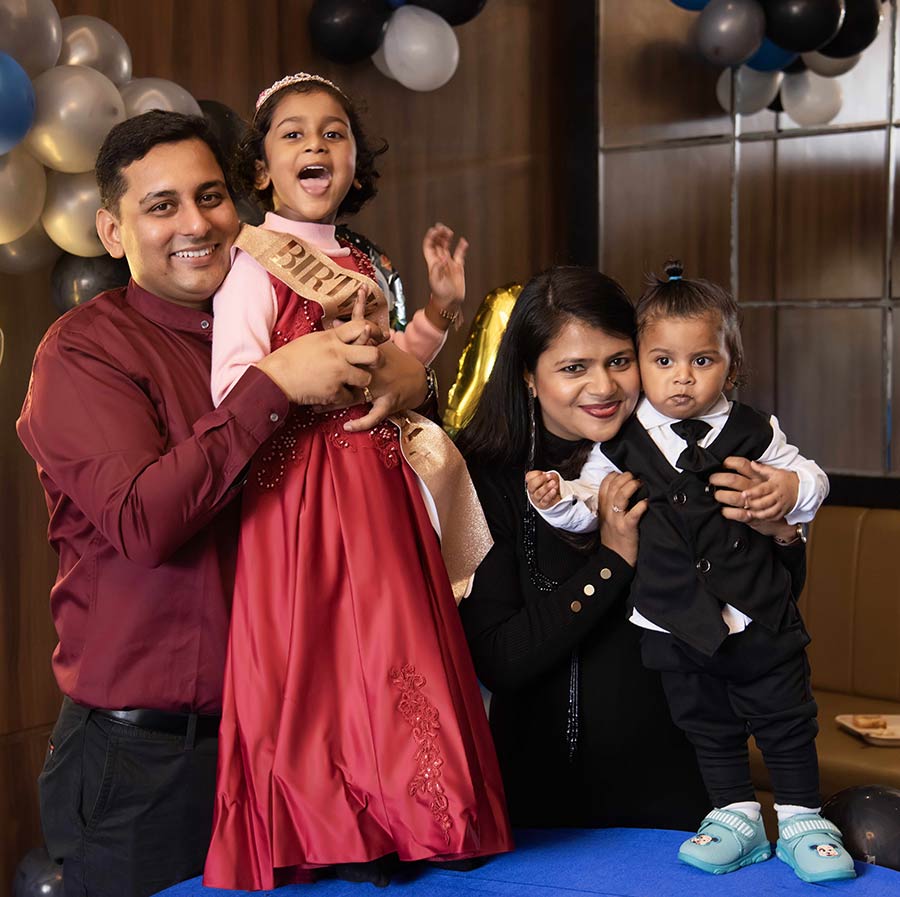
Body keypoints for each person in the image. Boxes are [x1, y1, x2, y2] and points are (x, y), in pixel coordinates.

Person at [16, 110, 429, 897]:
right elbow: (144, 521)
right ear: (112, 230)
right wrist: (273, 386)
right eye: (161, 205)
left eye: (212, 196)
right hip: (152, 759)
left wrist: (417, 382)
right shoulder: (84, 351)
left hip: (301, 733)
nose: (198, 223)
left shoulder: (284, 322)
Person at [202, 72, 512, 890]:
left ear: (354, 161)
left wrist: (440, 312)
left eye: (333, 132)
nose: (316, 145)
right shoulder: (251, 264)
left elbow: (398, 372)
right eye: (294, 133)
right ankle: (332, 825)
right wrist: (312, 374)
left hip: (377, 481)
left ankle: (420, 814)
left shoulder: (367, 256)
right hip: (301, 488)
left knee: (396, 641)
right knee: (320, 655)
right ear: (261, 169)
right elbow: (234, 386)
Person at [526, 262, 854, 884]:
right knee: (704, 721)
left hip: (759, 610)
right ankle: (736, 817)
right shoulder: (619, 446)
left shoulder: (758, 431)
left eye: (702, 361)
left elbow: (812, 479)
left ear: (732, 364)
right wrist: (557, 501)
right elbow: (594, 505)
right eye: (663, 361)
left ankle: (804, 819)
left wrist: (788, 488)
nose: (682, 378)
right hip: (671, 619)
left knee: (785, 715)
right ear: (642, 364)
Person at [456, 266, 808, 836]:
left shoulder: (695, 449)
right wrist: (613, 558)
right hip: (544, 800)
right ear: (528, 375)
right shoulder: (489, 478)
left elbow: (777, 601)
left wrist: (782, 531)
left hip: (685, 785)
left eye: (620, 361)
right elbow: (501, 659)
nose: (604, 388)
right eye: (574, 368)